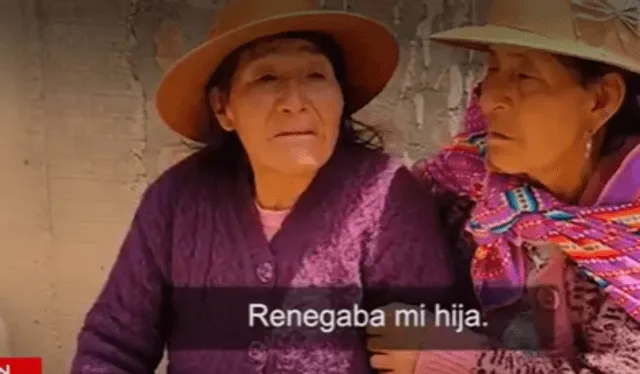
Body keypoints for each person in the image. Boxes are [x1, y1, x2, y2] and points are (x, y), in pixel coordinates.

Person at [70, 0, 459, 373]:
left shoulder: (387, 197)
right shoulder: (176, 199)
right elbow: (113, 346)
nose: (295, 101)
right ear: (224, 107)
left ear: (341, 97)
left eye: (316, 76)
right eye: (267, 78)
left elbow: (426, 353)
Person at [367, 0, 640, 373]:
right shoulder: (465, 184)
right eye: (494, 67)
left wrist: (458, 361)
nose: (491, 97)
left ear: (601, 100)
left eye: (525, 76)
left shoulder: (629, 232)